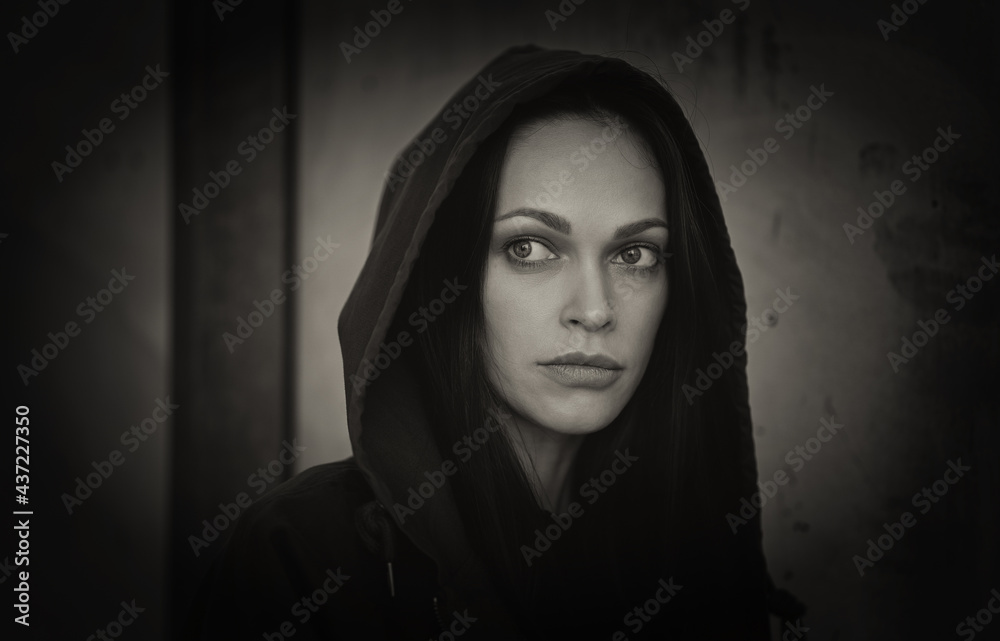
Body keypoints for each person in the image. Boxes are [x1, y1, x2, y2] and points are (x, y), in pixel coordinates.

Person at [186, 44, 776, 640]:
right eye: (529, 248)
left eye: (634, 255)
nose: (596, 310)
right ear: (444, 276)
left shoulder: (690, 564)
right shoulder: (302, 558)